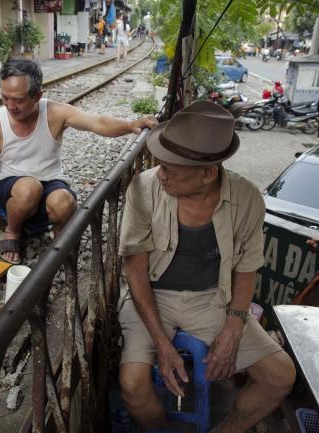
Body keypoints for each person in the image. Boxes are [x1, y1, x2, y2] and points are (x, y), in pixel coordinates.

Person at [117, 101, 296, 433]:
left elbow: (246, 267)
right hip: (150, 298)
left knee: (280, 375)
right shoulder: (144, 188)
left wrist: (234, 327)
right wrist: (161, 342)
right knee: (132, 385)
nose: (161, 174)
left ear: (208, 173)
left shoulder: (247, 198)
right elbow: (136, 271)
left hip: (213, 299)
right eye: (161, 164)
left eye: (171, 170)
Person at [0, 57, 156, 264]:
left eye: (19, 100)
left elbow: (97, 122)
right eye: (5, 98)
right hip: (13, 186)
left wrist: (130, 125)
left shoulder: (56, 113)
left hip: (50, 180)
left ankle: (60, 244)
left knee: (64, 203)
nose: (11, 106)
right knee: (29, 189)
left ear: (37, 96)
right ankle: (12, 231)